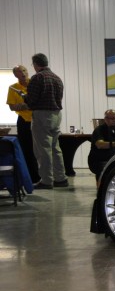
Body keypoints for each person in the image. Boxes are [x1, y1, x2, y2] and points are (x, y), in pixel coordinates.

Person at [23, 53, 67, 190]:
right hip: (56, 114)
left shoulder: (38, 77)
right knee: (55, 148)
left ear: (36, 64)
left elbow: (32, 100)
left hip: (42, 115)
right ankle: (61, 178)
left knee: (43, 149)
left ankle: (47, 181)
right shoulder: (57, 78)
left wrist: (24, 97)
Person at [5, 64, 39, 183]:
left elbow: (38, 102)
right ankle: (32, 177)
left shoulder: (34, 84)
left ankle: (43, 176)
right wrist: (27, 105)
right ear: (15, 75)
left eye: (24, 70)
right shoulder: (13, 88)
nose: (23, 73)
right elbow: (11, 107)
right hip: (23, 121)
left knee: (39, 149)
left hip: (38, 119)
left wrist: (22, 105)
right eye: (19, 72)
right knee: (26, 149)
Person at [87, 109, 115, 185]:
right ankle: (101, 191)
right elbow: (99, 144)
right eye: (112, 119)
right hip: (100, 159)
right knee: (103, 168)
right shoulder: (100, 130)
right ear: (106, 119)